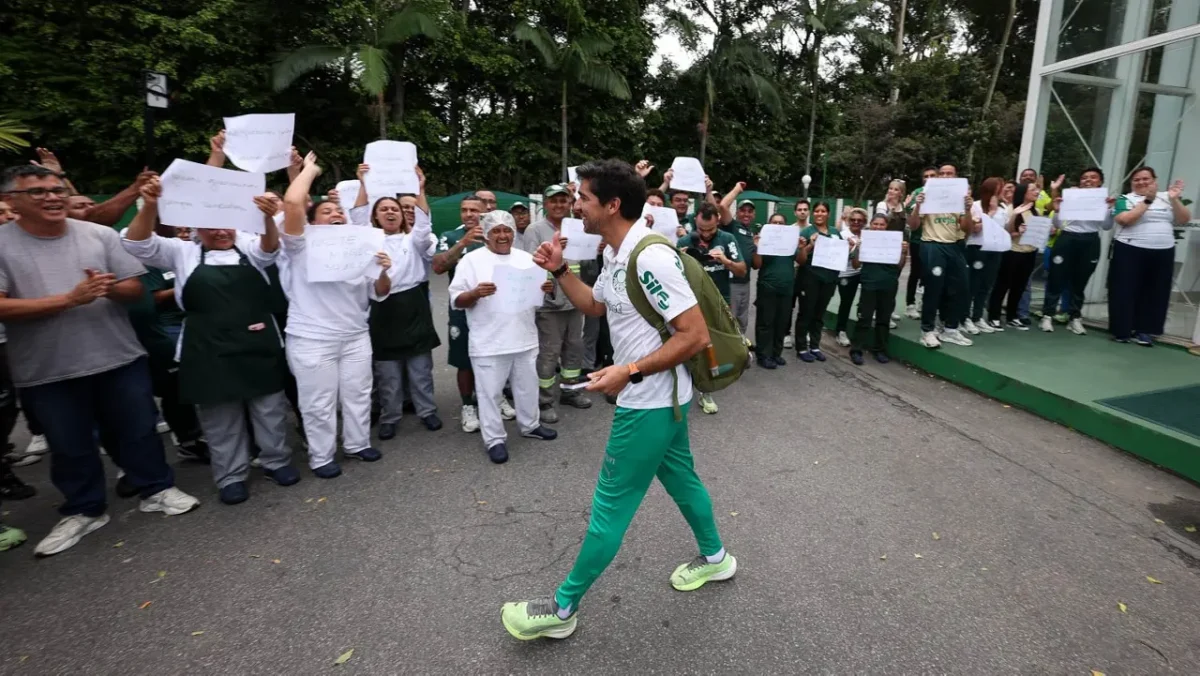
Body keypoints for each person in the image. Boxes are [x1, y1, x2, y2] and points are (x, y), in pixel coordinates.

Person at [502, 159, 734, 641]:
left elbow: (692, 335)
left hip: (649, 403)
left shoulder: (650, 257)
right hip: (663, 400)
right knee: (682, 478)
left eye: (583, 198)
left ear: (611, 205)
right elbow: (595, 305)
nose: (576, 206)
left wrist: (628, 371)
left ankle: (561, 609)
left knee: (610, 506)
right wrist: (560, 269)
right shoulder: (614, 252)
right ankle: (716, 558)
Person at [0, 164, 200, 557]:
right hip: (46, 369)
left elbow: (134, 288)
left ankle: (157, 489)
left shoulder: (99, 234)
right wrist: (69, 300)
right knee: (69, 443)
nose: (53, 197)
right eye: (38, 191)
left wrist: (109, 289)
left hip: (118, 356)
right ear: (10, 201)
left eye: (57, 189)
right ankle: (85, 509)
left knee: (139, 429)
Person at [122, 177, 300, 503]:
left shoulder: (249, 246)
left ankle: (277, 462)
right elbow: (137, 244)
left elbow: (269, 250)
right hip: (206, 347)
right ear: (195, 229)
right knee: (220, 418)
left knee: (269, 410)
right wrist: (149, 205)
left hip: (258, 343)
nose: (220, 232)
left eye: (226, 225)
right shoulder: (181, 252)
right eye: (211, 227)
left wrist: (265, 220)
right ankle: (231, 476)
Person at [281, 152, 388, 478]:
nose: (336, 213)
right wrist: (307, 171)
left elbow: (380, 291)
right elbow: (292, 204)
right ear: (312, 223)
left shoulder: (360, 246)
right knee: (318, 402)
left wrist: (384, 270)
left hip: (355, 335)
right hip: (312, 338)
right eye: (326, 211)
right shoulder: (300, 245)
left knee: (358, 394)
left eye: (339, 210)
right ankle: (321, 456)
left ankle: (357, 443)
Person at [448, 211, 557, 463]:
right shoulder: (471, 261)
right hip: (489, 341)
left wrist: (545, 288)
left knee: (528, 387)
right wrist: (474, 293)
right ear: (486, 235)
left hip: (524, 337)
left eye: (507, 230)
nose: (502, 235)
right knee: (489, 394)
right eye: (495, 230)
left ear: (513, 233)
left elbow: (536, 296)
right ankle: (494, 439)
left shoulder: (526, 259)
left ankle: (530, 425)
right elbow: (457, 300)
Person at [365, 170, 443, 438]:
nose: (390, 212)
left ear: (402, 215)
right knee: (388, 371)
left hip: (413, 305)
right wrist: (364, 184)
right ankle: (390, 416)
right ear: (375, 216)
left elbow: (423, 229)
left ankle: (427, 411)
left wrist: (421, 189)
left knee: (420, 368)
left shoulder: (413, 241)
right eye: (384, 209)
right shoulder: (369, 242)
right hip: (383, 307)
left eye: (394, 209)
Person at [435, 195, 517, 432]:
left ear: (485, 212)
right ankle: (467, 405)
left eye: (474, 210)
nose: (469, 214)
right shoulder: (451, 236)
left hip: (495, 309)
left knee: (498, 355)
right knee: (464, 360)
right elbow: (438, 267)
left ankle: (497, 396)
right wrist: (462, 243)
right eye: (464, 210)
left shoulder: (496, 235)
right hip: (464, 308)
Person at [520, 184, 592, 423]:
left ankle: (570, 390)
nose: (559, 205)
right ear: (545, 204)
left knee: (574, 348)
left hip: (575, 300)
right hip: (549, 304)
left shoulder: (578, 227)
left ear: (570, 203)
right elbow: (530, 264)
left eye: (563, 200)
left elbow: (585, 262)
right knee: (549, 353)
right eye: (553, 201)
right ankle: (544, 401)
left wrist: (596, 249)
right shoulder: (535, 229)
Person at [676, 202, 745, 414]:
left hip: (718, 301)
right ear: (695, 221)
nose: (705, 234)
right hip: (690, 302)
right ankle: (686, 387)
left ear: (718, 221)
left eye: (711, 230)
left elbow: (742, 270)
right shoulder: (685, 240)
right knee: (689, 344)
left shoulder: (728, 239)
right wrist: (679, 258)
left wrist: (726, 261)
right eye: (701, 229)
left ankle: (707, 389)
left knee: (714, 345)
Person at [1110, 168, 1190, 346]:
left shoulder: (1167, 197)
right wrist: (1148, 200)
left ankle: (1145, 330)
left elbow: (1184, 219)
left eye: (1145, 179)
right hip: (1130, 248)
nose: (1141, 182)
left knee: (1156, 292)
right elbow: (1125, 219)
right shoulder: (1125, 199)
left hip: (1163, 250)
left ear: (1154, 180)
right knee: (1124, 290)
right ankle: (1122, 330)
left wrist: (1175, 199)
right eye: (1136, 180)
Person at [1039, 168, 1115, 335]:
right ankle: (1047, 315)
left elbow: (1106, 226)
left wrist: (1109, 209)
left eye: (1093, 177)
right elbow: (1058, 224)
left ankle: (1075, 317)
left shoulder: (1103, 200)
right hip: (1067, 238)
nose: (1088, 180)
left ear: (1100, 182)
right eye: (1084, 178)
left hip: (1090, 240)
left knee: (1080, 281)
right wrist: (1057, 210)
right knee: (1056, 277)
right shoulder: (1070, 197)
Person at [908, 163, 974, 348]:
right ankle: (927, 330)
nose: (945, 176)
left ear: (955, 176)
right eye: (942, 173)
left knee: (959, 287)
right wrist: (917, 205)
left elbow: (966, 229)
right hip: (932, 245)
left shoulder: (960, 198)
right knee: (933, 288)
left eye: (949, 173)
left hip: (954, 246)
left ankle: (950, 329)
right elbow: (913, 225)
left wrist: (968, 209)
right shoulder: (926, 196)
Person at [851, 213, 908, 365]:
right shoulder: (865, 240)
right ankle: (856, 350)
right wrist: (858, 248)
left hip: (888, 284)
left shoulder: (894, 241)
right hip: (869, 283)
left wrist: (903, 252)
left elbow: (900, 265)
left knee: (884, 319)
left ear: (886, 226)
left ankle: (880, 350)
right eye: (875, 224)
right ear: (870, 225)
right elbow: (856, 265)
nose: (878, 227)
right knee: (864, 318)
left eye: (882, 224)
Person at [794, 202, 846, 362]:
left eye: (823, 211)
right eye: (817, 211)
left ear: (828, 214)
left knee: (819, 314)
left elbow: (841, 254)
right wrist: (810, 244)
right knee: (806, 312)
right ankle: (801, 347)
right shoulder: (806, 231)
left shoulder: (835, 232)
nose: (819, 214)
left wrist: (849, 247)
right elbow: (800, 259)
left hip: (829, 280)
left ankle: (815, 346)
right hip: (809, 278)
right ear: (813, 213)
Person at [753, 208, 804, 369]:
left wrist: (802, 247)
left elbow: (801, 261)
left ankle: (776, 353)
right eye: (774, 222)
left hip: (787, 287)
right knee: (766, 322)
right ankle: (763, 355)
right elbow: (756, 265)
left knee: (781, 322)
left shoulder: (791, 242)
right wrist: (757, 247)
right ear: (768, 225)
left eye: (781, 223)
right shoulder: (763, 241)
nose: (778, 225)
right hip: (767, 286)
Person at [988, 182, 1040, 331]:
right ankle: (994, 316)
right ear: (1023, 193)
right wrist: (1017, 228)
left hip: (1029, 252)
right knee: (1003, 285)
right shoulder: (1012, 209)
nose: (1036, 192)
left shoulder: (1035, 211)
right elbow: (1006, 233)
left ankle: (1012, 316)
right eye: (1033, 190)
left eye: (1036, 189)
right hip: (1012, 252)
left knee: (1020, 286)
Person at [964, 177, 1007, 335]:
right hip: (977, 248)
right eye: (1000, 188)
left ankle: (977, 316)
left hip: (995, 250)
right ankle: (965, 317)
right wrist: (990, 213)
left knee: (986, 285)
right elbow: (975, 229)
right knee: (973, 284)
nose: (1003, 191)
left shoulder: (1003, 209)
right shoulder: (976, 206)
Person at [717, 187, 757, 337]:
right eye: (743, 210)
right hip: (731, 283)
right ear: (737, 212)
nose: (746, 214)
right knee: (730, 320)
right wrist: (737, 189)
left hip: (745, 282)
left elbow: (755, 264)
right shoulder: (731, 226)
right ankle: (728, 349)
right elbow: (722, 206)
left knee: (742, 320)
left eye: (750, 211)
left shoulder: (751, 233)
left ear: (754, 214)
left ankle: (741, 347)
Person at [904, 168, 938, 319]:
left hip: (937, 239)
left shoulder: (945, 193)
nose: (929, 178)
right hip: (918, 239)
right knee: (916, 272)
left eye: (932, 175)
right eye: (926, 176)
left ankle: (925, 302)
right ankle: (910, 304)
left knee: (932, 273)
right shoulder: (917, 192)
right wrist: (917, 204)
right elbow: (909, 213)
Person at [833, 208, 866, 347]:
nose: (856, 222)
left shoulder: (867, 235)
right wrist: (848, 248)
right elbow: (835, 255)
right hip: (846, 274)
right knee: (846, 302)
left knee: (866, 301)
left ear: (864, 222)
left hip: (863, 273)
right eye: (853, 220)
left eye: (860, 220)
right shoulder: (842, 235)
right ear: (848, 221)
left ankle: (861, 329)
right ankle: (841, 331)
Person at [783, 198, 812, 350]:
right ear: (795, 212)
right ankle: (786, 333)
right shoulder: (789, 230)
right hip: (792, 271)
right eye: (799, 209)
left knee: (806, 305)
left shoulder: (814, 230)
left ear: (809, 212)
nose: (802, 212)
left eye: (805, 209)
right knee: (789, 304)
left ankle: (803, 332)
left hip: (808, 272)